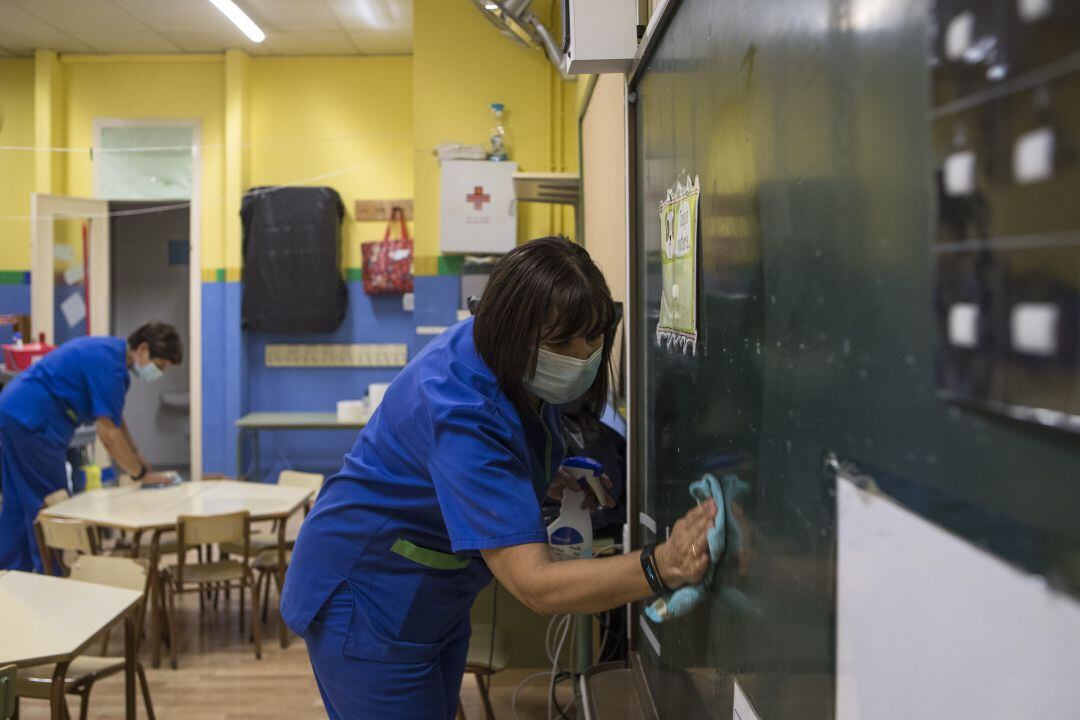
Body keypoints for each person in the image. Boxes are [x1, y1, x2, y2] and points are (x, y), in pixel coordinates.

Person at [282, 237, 716, 719]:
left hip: (432, 596)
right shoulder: (460, 408)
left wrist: (539, 477)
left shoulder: (501, 358)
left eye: (593, 337)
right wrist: (661, 565)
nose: (580, 357)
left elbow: (500, 446)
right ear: (512, 332)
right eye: (560, 344)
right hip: (366, 597)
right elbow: (537, 585)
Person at [0, 321, 183, 572]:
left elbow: (116, 420)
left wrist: (138, 457)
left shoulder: (110, 354)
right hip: (34, 422)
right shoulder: (110, 367)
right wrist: (140, 475)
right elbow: (108, 434)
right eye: (159, 366)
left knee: (17, 501)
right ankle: (51, 579)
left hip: (13, 411)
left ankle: (10, 574)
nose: (157, 373)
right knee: (50, 505)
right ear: (143, 348)